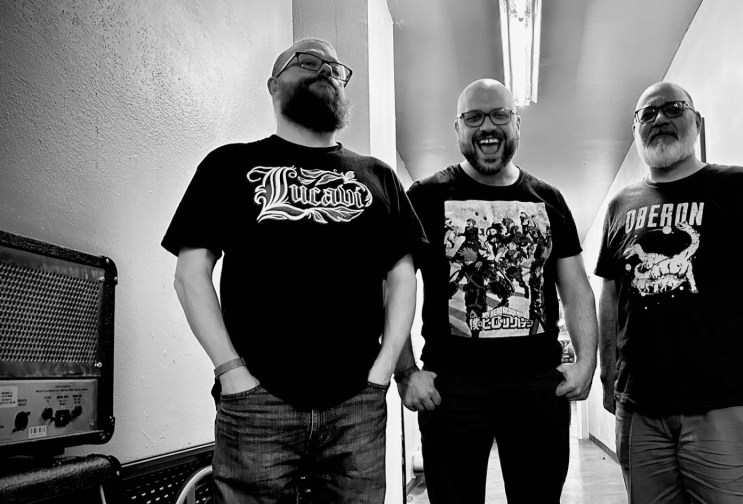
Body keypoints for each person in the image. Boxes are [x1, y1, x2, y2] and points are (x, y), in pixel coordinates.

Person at [161, 38, 427, 503]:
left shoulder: (379, 176)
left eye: (335, 68)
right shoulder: (228, 165)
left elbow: (402, 278)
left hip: (356, 403)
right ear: (273, 85)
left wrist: (383, 372)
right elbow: (190, 275)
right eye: (307, 60)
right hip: (256, 401)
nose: (325, 70)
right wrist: (231, 372)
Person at [395, 78, 598, 503]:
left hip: (537, 386)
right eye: (474, 117)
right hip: (452, 389)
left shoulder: (549, 200)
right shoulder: (426, 197)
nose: (487, 126)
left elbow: (577, 289)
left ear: (517, 124)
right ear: (458, 128)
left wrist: (585, 363)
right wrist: (407, 371)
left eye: (499, 114)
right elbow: (393, 287)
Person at [596, 82, 743, 503]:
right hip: (639, 407)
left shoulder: (737, 186)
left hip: (723, 402)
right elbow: (611, 297)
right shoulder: (619, 206)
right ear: (636, 131)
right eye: (647, 114)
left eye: (673, 108)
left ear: (697, 122)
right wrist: (607, 374)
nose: (660, 119)